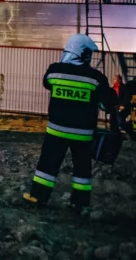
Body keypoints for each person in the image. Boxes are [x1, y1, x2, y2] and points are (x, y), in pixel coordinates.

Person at [23, 34, 118, 211]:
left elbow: (47, 83)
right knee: (82, 169)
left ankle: (38, 197)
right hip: (82, 135)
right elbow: (107, 104)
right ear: (84, 54)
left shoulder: (54, 71)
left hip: (56, 131)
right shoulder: (96, 78)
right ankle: (79, 203)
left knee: (47, 165)